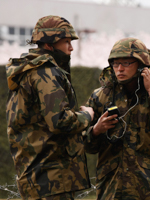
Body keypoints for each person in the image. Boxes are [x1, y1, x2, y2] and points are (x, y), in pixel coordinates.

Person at [6, 15, 94, 200]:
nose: (71, 48)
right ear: (48, 45)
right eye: (66, 42)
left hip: (37, 176)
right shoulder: (45, 72)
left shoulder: (27, 71)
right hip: (51, 179)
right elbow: (59, 121)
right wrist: (87, 116)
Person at [83, 37, 150, 199]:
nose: (119, 69)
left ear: (141, 65)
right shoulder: (101, 96)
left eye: (126, 63)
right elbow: (87, 146)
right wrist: (96, 130)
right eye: (115, 63)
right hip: (113, 188)